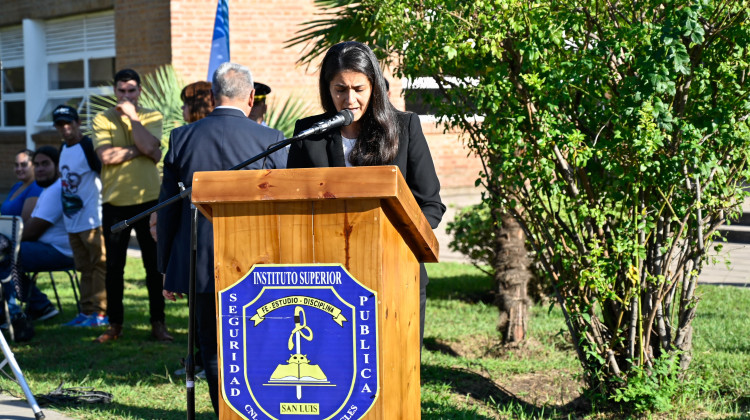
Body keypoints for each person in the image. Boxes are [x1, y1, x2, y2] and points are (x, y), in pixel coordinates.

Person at [287, 41, 445, 347]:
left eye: (358, 88)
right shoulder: (309, 134)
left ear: (373, 85)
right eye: (340, 89)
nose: (350, 99)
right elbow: (294, 204)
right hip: (328, 280)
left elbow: (431, 205)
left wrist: (394, 242)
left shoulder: (404, 127)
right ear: (327, 89)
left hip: (394, 272)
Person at [158, 62, 286, 414]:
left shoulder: (182, 138)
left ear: (213, 97)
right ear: (250, 98)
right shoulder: (272, 139)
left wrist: (167, 268)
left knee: (212, 348)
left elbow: (167, 208)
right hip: (258, 264)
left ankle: (223, 412)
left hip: (199, 263)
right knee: (258, 343)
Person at [91, 68, 172, 343]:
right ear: (115, 91)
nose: (126, 96)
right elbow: (106, 156)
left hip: (149, 200)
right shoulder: (102, 118)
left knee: (153, 266)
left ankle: (158, 324)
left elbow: (154, 150)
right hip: (114, 201)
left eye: (131, 90)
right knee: (114, 267)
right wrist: (144, 150)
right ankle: (115, 325)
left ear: (140, 91)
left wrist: (134, 119)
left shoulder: (152, 116)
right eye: (121, 91)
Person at [2, 146, 75, 324]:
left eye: (45, 164)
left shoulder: (56, 190)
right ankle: (40, 306)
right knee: (6, 256)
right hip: (46, 248)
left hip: (60, 252)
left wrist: (4, 241)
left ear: (57, 166)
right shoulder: (48, 189)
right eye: (37, 164)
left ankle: (13, 315)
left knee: (5, 256)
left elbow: (32, 231)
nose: (40, 168)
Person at [53, 105, 108, 327]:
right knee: (83, 268)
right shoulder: (62, 148)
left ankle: (102, 313)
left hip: (92, 220)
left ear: (77, 123)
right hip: (72, 221)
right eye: (60, 125)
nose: (65, 128)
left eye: (68, 123)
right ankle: (86, 312)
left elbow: (104, 174)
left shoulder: (87, 145)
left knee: (99, 266)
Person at [1, 150, 43, 222]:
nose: (19, 169)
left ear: (33, 166)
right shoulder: (17, 186)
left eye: (24, 165)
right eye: (16, 165)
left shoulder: (36, 187)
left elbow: (24, 222)